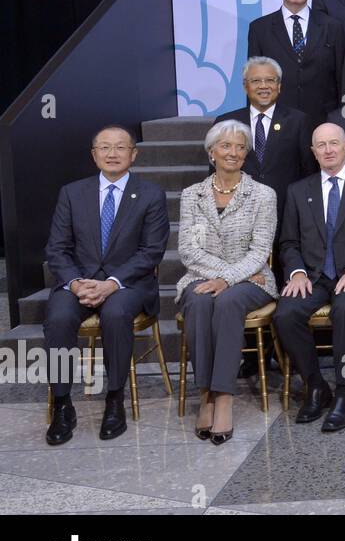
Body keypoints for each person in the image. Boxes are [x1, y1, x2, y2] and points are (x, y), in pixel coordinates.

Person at [43, 126, 169, 445]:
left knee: (115, 315)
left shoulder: (151, 194)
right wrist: (73, 283)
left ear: (133, 154)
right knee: (57, 318)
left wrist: (112, 283)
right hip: (79, 282)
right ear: (94, 154)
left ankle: (115, 399)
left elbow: (151, 251)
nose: (112, 154)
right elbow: (57, 248)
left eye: (120, 148)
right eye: (104, 147)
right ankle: (62, 404)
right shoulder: (72, 193)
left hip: (129, 284)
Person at [274, 123, 345, 431]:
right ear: (313, 152)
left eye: (334, 143)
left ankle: (344, 392)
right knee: (286, 314)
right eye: (321, 145)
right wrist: (295, 272)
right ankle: (316, 385)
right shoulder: (298, 191)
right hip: (313, 275)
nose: (328, 150)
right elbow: (289, 242)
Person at [176, 120, 278, 444]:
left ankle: (223, 398)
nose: (233, 152)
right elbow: (188, 250)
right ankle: (205, 393)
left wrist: (229, 279)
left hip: (253, 280)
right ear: (212, 152)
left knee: (229, 301)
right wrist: (222, 276)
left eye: (239, 147)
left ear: (246, 154)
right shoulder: (192, 195)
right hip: (202, 276)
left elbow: (261, 249)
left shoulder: (263, 195)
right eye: (225, 146)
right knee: (198, 301)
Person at [210, 57, 314, 229]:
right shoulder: (226, 122)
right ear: (245, 86)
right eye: (256, 81)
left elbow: (308, 171)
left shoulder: (299, 121)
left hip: (286, 215)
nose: (263, 86)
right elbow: (215, 174)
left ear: (279, 86)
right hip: (237, 217)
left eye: (270, 80)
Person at [246, 0, 345, 128]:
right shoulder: (260, 28)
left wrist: (342, 116)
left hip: (323, 118)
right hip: (277, 116)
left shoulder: (332, 26)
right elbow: (253, 78)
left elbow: (342, 76)